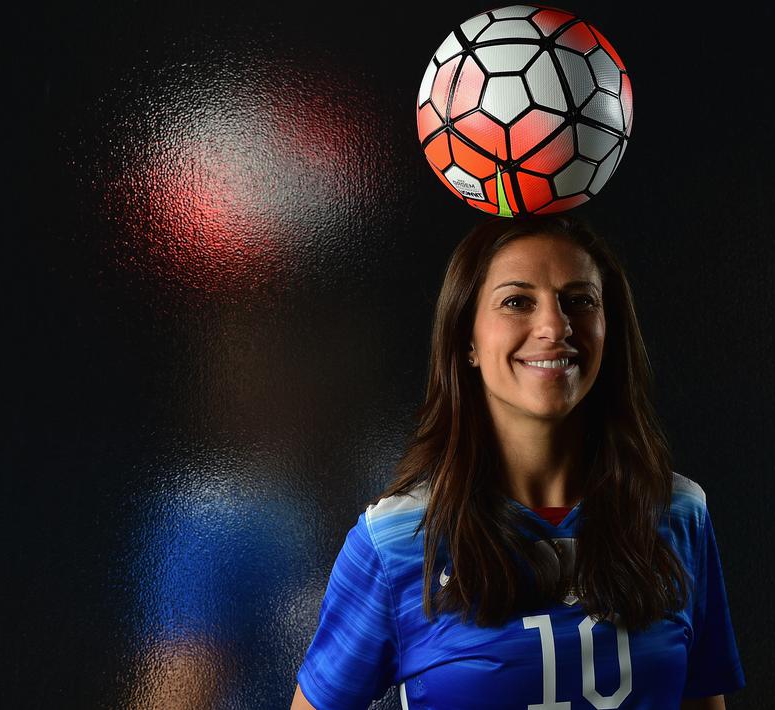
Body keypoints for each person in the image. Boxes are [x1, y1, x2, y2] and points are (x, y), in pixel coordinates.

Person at [290, 214, 745, 709]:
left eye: (579, 301)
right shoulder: (397, 540)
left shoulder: (677, 513)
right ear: (468, 341)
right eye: (517, 302)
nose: (554, 326)